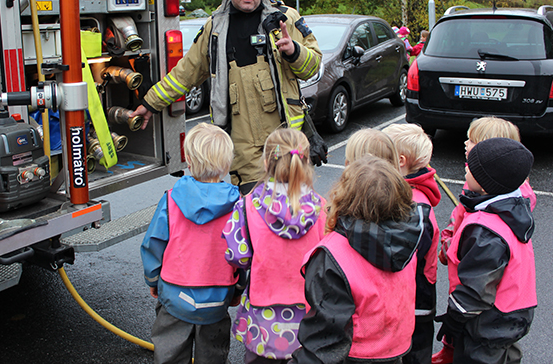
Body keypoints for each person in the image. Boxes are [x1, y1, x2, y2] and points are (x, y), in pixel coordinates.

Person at [130, 0, 323, 194]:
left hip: (287, 140)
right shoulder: (215, 29)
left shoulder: (286, 19)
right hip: (243, 149)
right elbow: (185, 74)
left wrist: (294, 51)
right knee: (254, 216)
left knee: (294, 210)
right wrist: (151, 102)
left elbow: (312, 67)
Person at [290, 155, 423, 364]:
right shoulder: (408, 240)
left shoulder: (331, 255)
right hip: (394, 351)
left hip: (353, 355)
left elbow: (324, 338)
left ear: (345, 195)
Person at [434, 117, 537, 364]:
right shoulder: (510, 208)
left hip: (491, 317)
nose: (466, 169)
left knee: (479, 356)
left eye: (471, 169)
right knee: (504, 353)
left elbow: (476, 290)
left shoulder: (486, 231)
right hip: (515, 307)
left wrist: (456, 315)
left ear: (486, 182)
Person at [140, 123, 242, 364]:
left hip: (175, 294)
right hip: (218, 296)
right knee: (213, 356)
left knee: (170, 355)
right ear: (227, 164)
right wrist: (238, 289)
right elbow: (243, 252)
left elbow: (154, 243)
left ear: (188, 160)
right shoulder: (238, 205)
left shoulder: (171, 199)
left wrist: (153, 279)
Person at [223, 127, 327, 363]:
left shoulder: (248, 205)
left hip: (263, 315)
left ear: (266, 160)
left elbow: (237, 255)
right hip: (307, 314)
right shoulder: (321, 208)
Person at [382, 124, 441, 364]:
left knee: (414, 353)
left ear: (400, 161)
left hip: (414, 299)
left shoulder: (411, 207)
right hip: (419, 295)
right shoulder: (418, 195)